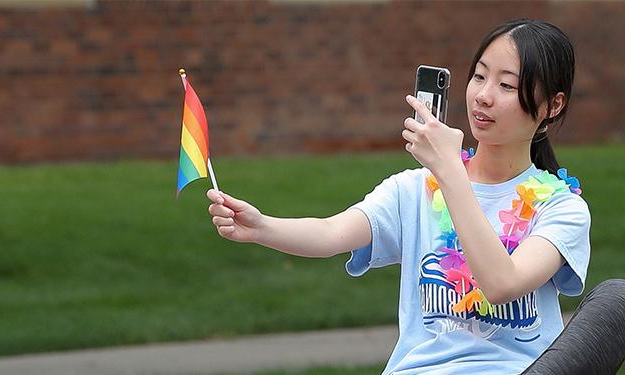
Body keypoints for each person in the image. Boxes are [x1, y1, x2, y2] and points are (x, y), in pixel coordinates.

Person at [206, 19, 592, 374]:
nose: (483, 96)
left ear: (552, 105)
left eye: (507, 85)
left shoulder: (561, 208)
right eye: (479, 76)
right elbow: (330, 234)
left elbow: (501, 283)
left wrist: (450, 174)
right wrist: (261, 227)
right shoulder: (415, 189)